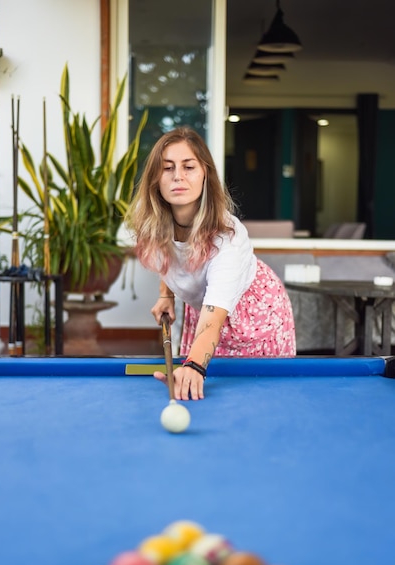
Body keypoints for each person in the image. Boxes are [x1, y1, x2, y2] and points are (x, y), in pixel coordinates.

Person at [125, 127, 296, 401]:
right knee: (199, 393)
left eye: (189, 167)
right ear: (155, 178)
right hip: (205, 309)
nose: (178, 176)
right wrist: (165, 294)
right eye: (167, 168)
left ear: (205, 174)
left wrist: (193, 365)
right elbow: (170, 256)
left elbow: (213, 320)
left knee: (258, 399)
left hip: (254, 314)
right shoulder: (153, 225)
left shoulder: (227, 237)